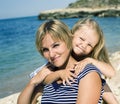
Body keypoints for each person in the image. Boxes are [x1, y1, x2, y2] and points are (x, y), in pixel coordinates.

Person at [29, 18, 118, 104]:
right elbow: (45, 77)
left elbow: (111, 73)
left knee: (103, 85)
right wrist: (59, 74)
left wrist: (90, 60)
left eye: (90, 45)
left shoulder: (89, 60)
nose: (83, 45)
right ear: (71, 34)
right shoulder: (59, 55)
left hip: (92, 81)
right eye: (82, 39)